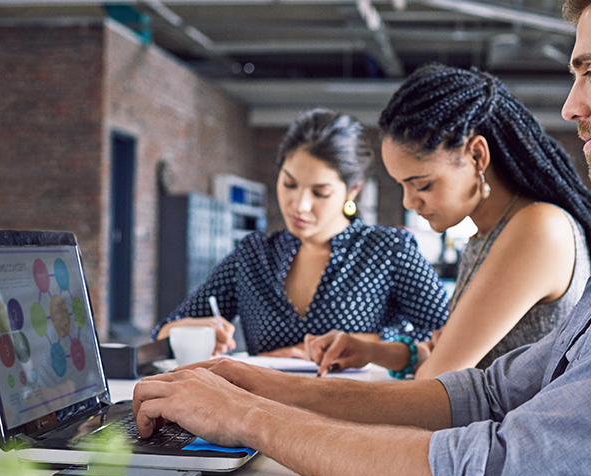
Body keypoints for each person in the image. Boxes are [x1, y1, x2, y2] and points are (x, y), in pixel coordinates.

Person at [134, 0, 591, 476]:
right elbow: (488, 393)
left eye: (590, 71)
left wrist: (246, 418)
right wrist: (255, 384)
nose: (571, 105)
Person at [304, 63, 591, 379]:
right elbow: (444, 355)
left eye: (422, 184)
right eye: (402, 186)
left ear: (477, 156)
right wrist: (371, 351)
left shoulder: (538, 228)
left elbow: (435, 384)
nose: (409, 201)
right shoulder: (486, 235)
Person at [152, 108, 449, 359]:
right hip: (262, 416)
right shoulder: (253, 256)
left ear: (352, 190)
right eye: (290, 185)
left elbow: (446, 338)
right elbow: (164, 332)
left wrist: (366, 346)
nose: (299, 205)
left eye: (320, 192)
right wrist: (199, 333)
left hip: (355, 417)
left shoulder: (386, 250)